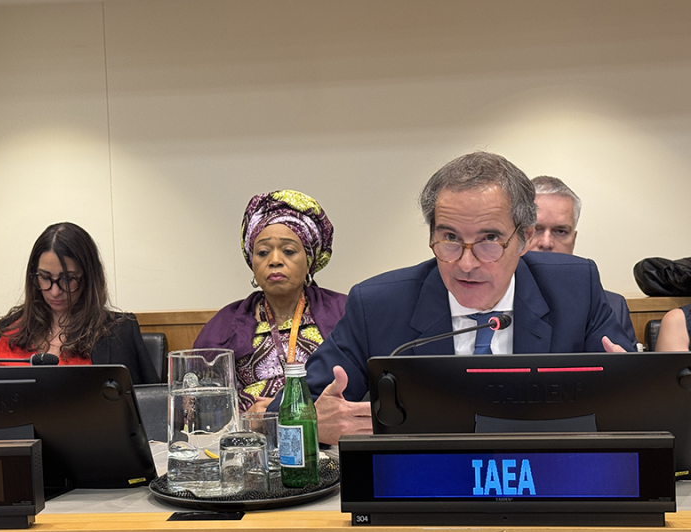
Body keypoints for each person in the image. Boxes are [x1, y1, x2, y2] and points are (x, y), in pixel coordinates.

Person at [289, 152, 634, 445]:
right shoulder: (378, 306)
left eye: (489, 239)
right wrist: (313, 423)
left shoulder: (575, 289)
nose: (466, 264)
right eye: (450, 238)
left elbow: (641, 409)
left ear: (524, 238)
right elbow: (286, 414)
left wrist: (630, 389)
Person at [194, 190, 346, 414]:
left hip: (323, 433)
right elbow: (200, 402)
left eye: (289, 251)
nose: (275, 261)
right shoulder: (224, 323)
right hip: (248, 438)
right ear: (252, 263)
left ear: (309, 260)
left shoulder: (343, 312)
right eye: (263, 252)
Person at [0, 222, 159, 385]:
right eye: (45, 278)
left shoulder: (120, 334)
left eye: (68, 279)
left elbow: (148, 409)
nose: (55, 291)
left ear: (89, 278)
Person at [528, 175, 637, 346]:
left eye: (561, 231)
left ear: (573, 239)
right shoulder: (493, 298)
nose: (546, 243)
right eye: (536, 229)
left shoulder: (612, 307)